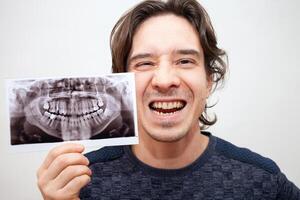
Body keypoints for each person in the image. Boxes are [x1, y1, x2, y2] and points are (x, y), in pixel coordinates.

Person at [37, 0, 300, 199]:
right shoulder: (80, 183)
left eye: (185, 61)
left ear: (209, 80)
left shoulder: (262, 181)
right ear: (122, 85)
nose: (164, 80)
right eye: (145, 63)